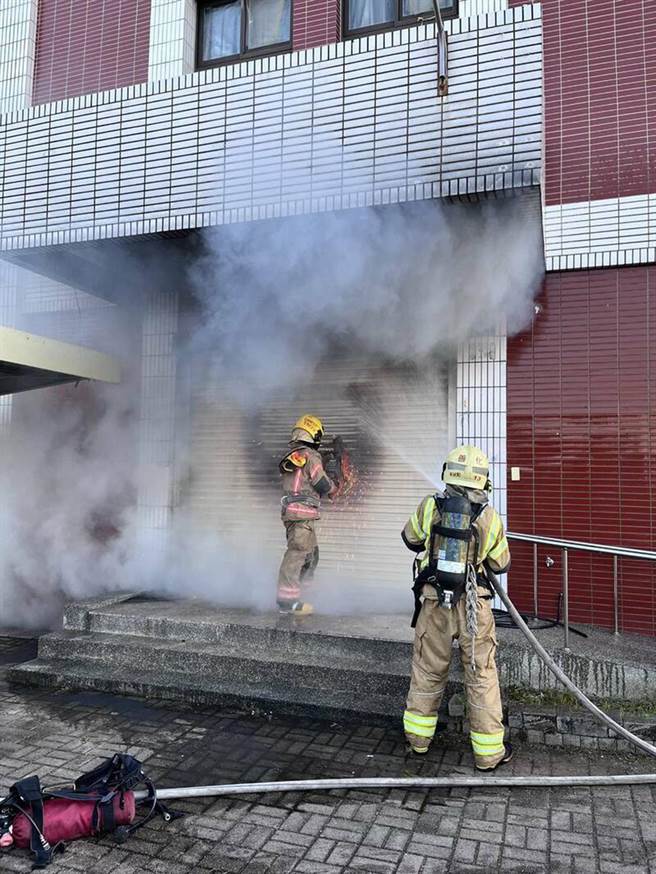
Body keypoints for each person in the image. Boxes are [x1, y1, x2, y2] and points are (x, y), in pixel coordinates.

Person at [401, 444, 512, 771]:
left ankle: (418, 743)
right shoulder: (489, 516)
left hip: (434, 603)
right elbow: (501, 562)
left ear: (447, 473)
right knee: (481, 676)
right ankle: (488, 754)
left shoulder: (430, 506)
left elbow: (410, 539)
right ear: (483, 480)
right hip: (474, 607)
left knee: (427, 669)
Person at [277, 414, 335, 615]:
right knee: (297, 555)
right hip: (302, 516)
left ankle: (305, 594)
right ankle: (287, 602)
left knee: (311, 555)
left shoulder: (295, 456)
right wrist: (333, 483)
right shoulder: (310, 456)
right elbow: (320, 482)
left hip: (295, 515)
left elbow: (302, 482)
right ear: (315, 435)